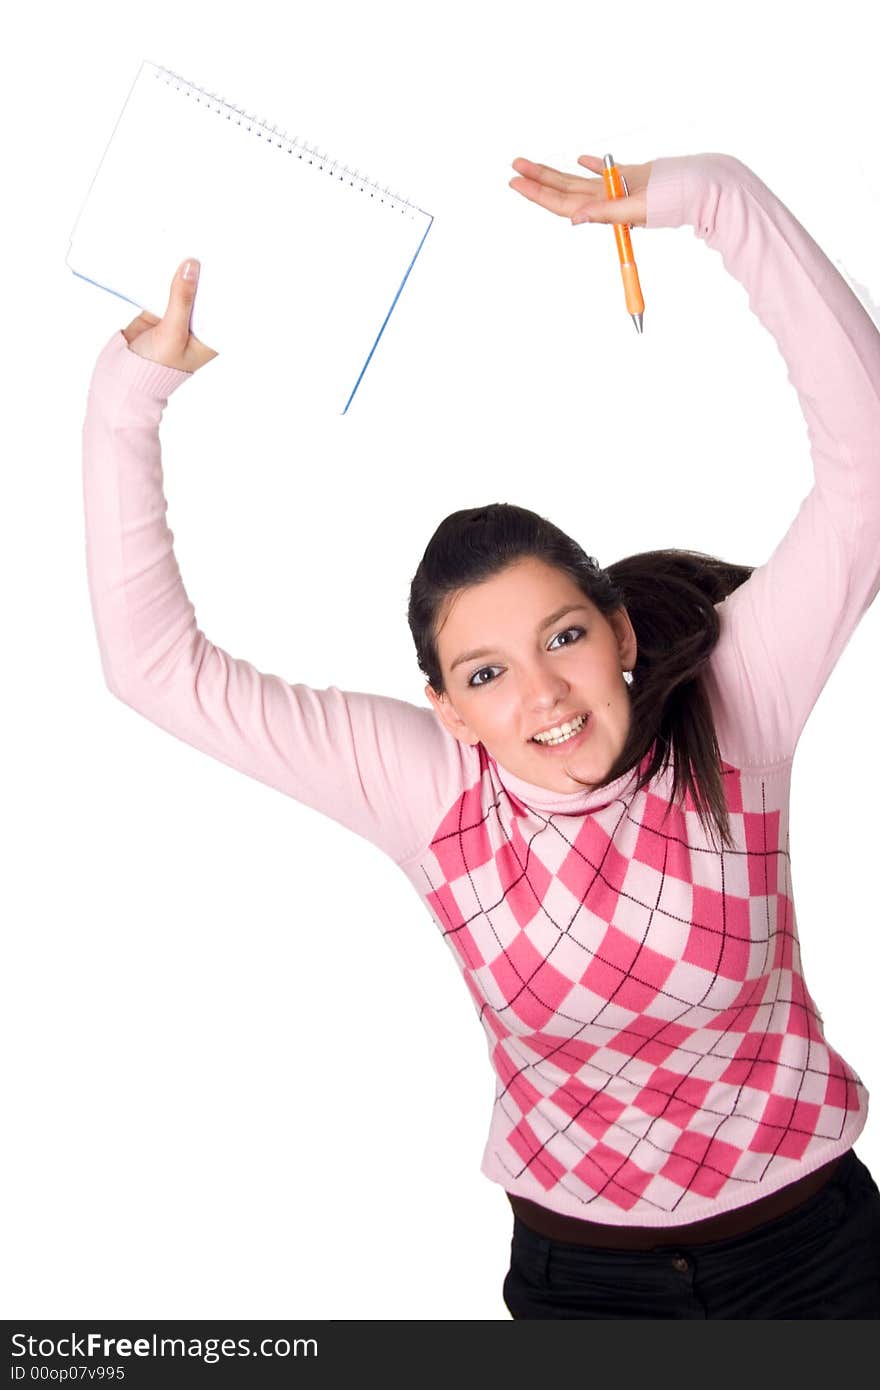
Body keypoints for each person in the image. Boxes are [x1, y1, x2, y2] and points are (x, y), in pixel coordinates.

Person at [80, 149, 880, 1319]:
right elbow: (156, 670)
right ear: (447, 706)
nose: (543, 697)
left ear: (616, 630)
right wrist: (127, 396)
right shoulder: (432, 789)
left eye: (563, 637)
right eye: (489, 672)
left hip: (816, 1255)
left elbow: (867, 476)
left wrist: (716, 200)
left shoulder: (734, 703)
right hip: (580, 1283)